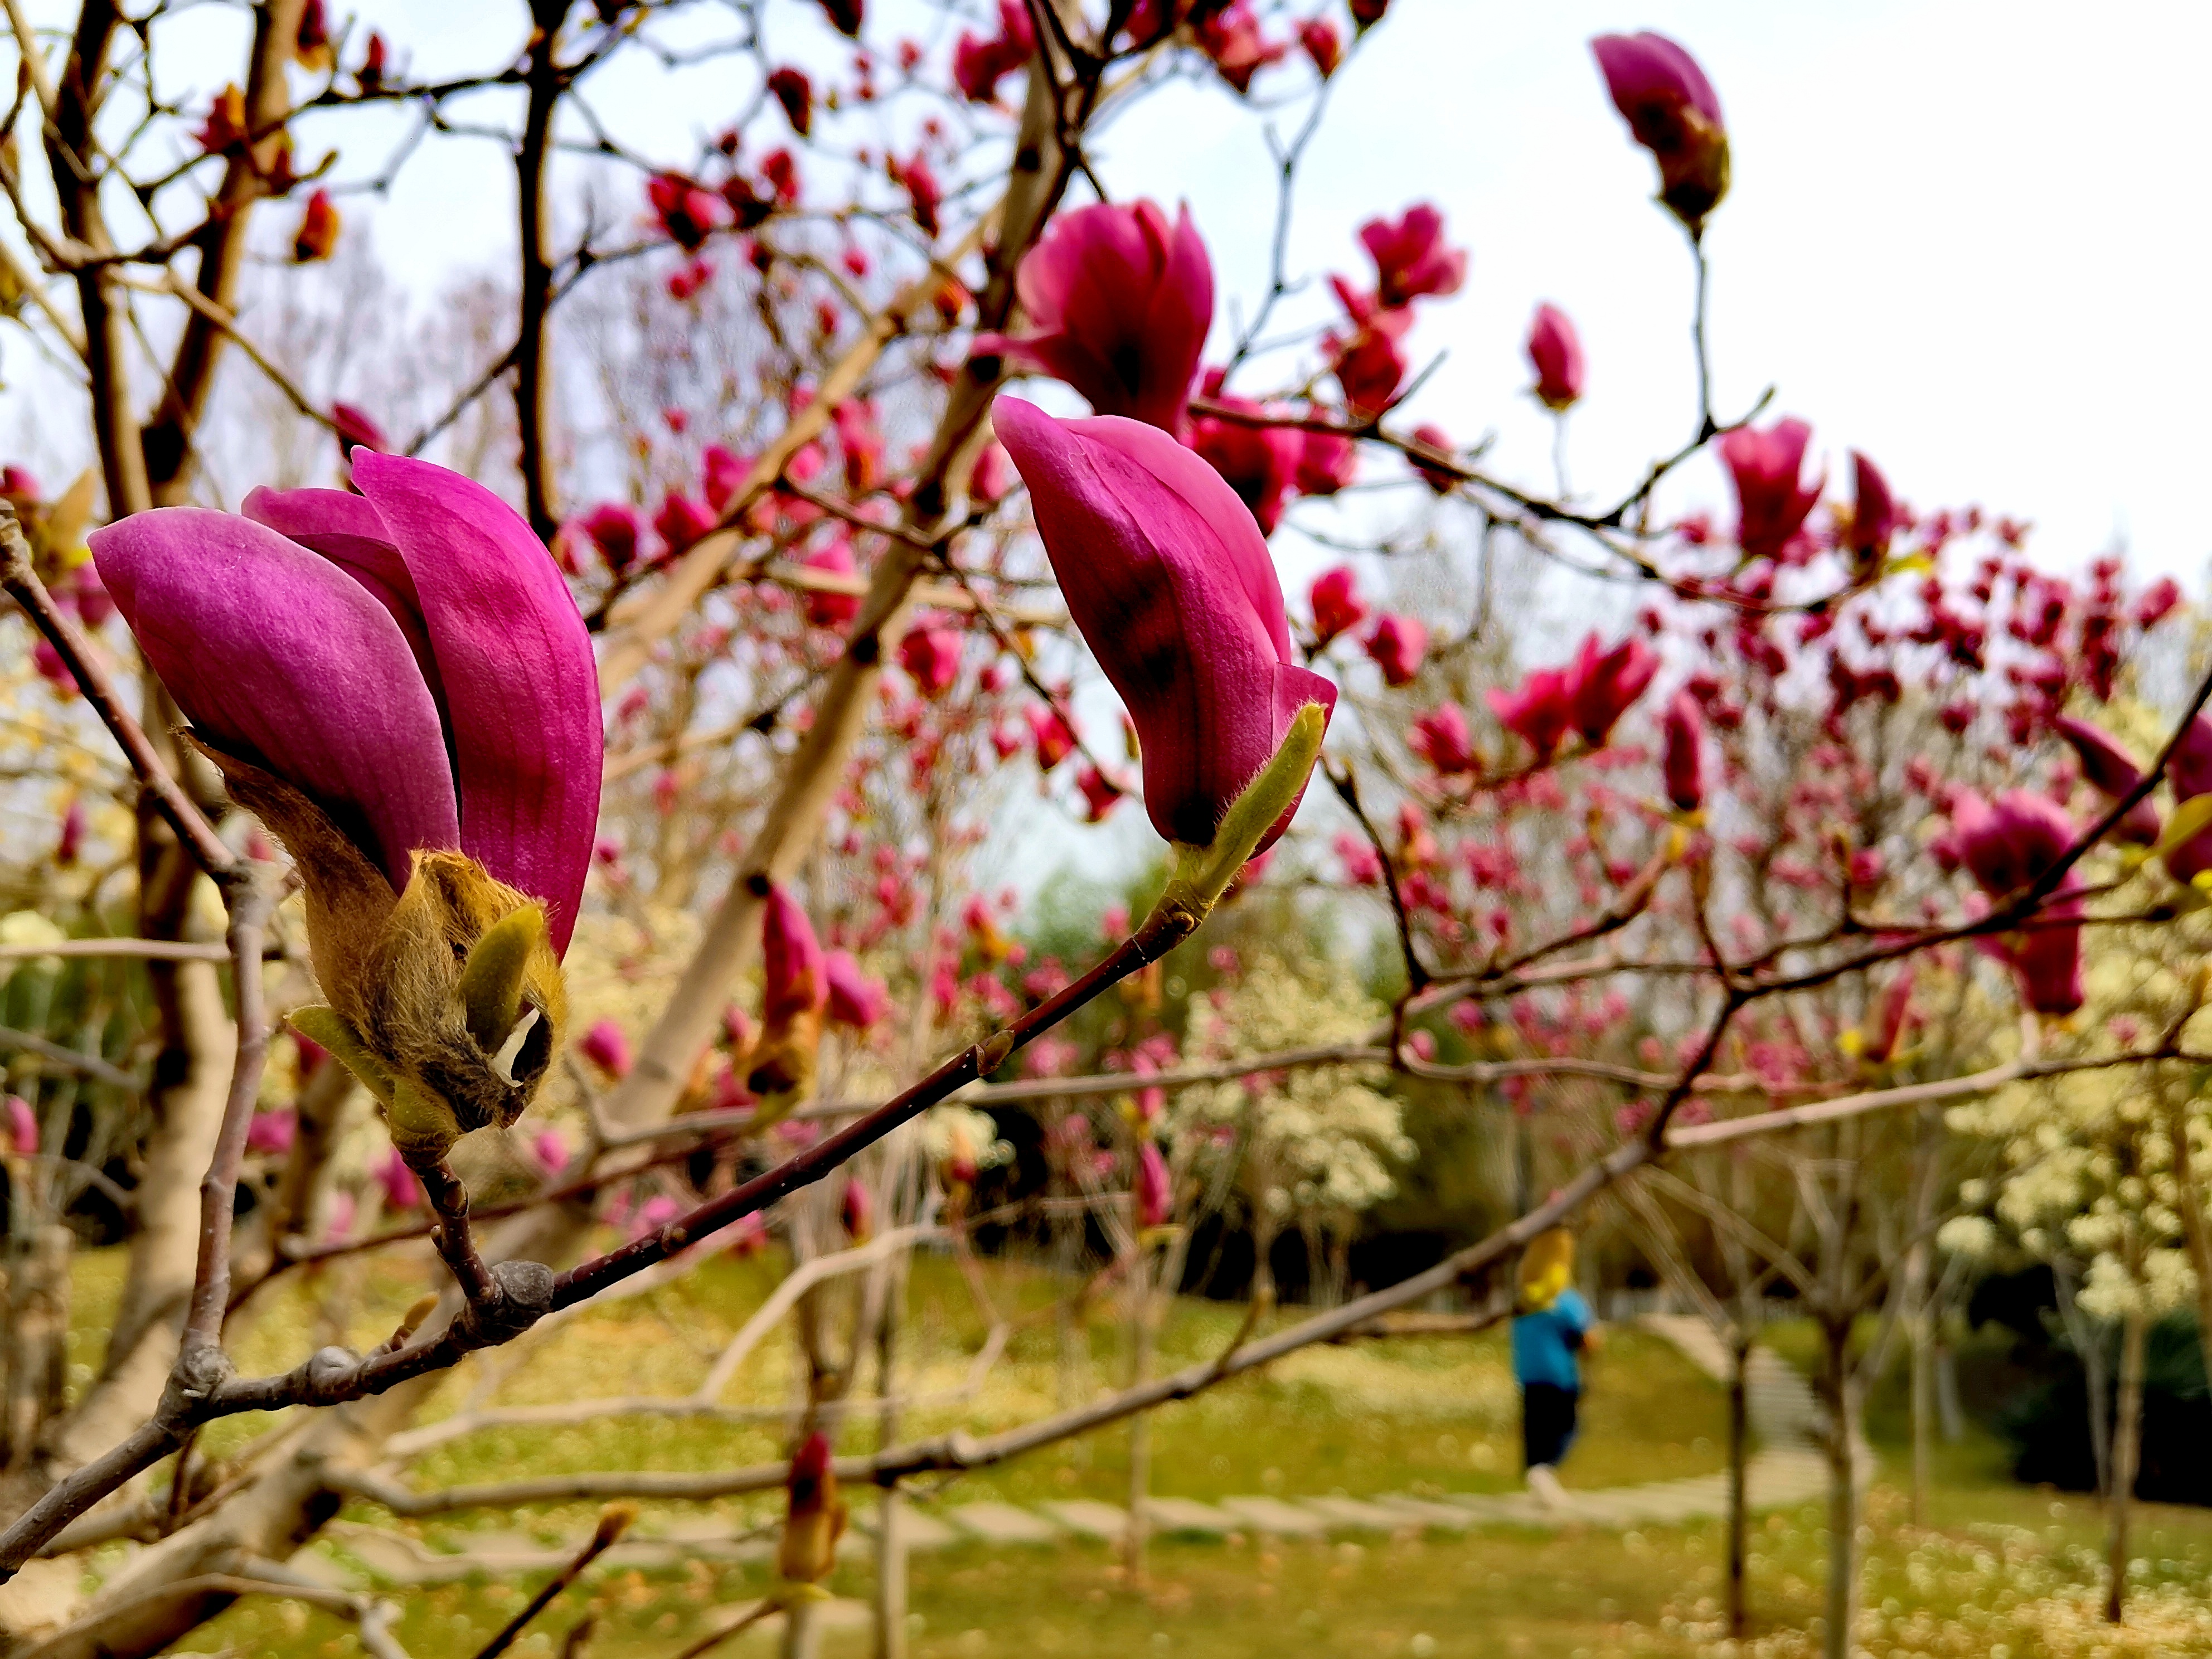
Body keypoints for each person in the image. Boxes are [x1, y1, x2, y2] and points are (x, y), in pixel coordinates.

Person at [1511, 1227, 1599, 1507]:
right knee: (1565, 1429)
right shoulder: (1563, 1300)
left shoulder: (1526, 1298)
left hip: (1528, 1375)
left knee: (1536, 1432)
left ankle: (1538, 1478)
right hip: (1559, 1375)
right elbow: (1589, 1339)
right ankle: (1544, 1474)